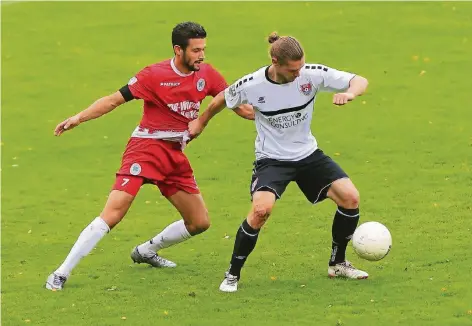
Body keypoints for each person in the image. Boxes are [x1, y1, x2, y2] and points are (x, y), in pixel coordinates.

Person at [45, 21, 254, 291]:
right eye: (196, 50)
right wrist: (78, 118)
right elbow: (112, 100)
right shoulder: (153, 75)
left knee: (199, 222)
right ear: (178, 50)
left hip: (174, 155)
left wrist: (272, 105)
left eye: (203, 49)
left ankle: (146, 251)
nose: (201, 55)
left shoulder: (208, 75)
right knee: (114, 213)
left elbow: (242, 109)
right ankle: (61, 273)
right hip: (145, 150)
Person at [188, 32, 369, 292]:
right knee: (261, 211)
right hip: (272, 160)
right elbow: (222, 99)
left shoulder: (311, 74)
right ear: (275, 62)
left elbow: (359, 80)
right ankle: (232, 274)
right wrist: (201, 122)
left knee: (350, 198)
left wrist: (350, 94)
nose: (299, 74)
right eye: (293, 70)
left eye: (301, 67)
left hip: (308, 155)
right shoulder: (252, 84)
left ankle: (338, 263)